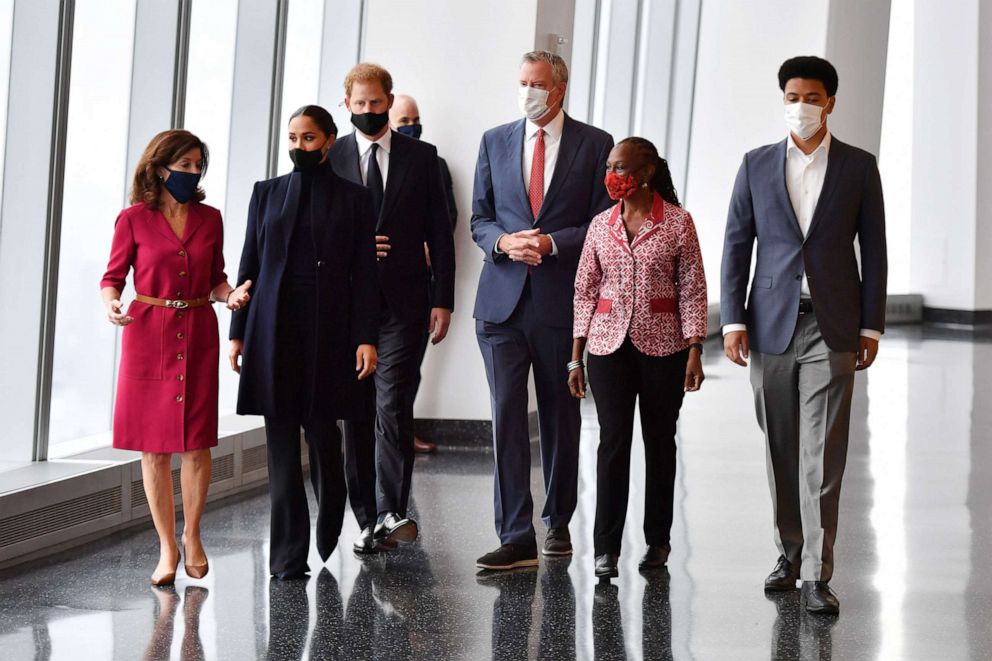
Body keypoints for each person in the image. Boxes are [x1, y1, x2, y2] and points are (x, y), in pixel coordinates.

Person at [720, 56, 887, 614]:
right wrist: (734, 320)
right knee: (781, 445)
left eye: (812, 96)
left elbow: (876, 251)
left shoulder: (859, 167)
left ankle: (817, 571)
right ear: (783, 99)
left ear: (830, 102)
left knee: (823, 450)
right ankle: (788, 554)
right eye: (792, 95)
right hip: (769, 325)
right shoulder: (756, 164)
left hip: (833, 323)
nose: (802, 106)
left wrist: (871, 323)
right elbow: (736, 244)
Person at [472, 51, 614, 571]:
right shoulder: (494, 140)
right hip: (501, 306)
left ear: (559, 89)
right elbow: (479, 218)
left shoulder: (595, 145)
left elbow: (604, 223)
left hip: (562, 303)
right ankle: (514, 534)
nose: (527, 91)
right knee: (507, 415)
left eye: (537, 83)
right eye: (522, 81)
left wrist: (550, 243)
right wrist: (507, 241)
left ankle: (557, 523)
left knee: (560, 414)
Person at [229, 105, 379, 579]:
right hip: (273, 330)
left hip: (330, 332)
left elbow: (365, 277)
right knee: (280, 446)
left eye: (308, 138)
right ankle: (288, 559)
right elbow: (248, 266)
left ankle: (332, 501)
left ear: (330, 140)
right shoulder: (266, 193)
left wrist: (365, 338)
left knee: (321, 433)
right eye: (292, 138)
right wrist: (237, 333)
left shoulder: (355, 199)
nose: (298, 146)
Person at [100, 129, 251, 585]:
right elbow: (113, 277)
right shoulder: (131, 219)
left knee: (197, 444)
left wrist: (231, 296)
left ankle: (194, 535)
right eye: (183, 165)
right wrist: (110, 303)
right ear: (159, 166)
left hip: (199, 331)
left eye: (196, 165)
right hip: (148, 334)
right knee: (154, 450)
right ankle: (167, 546)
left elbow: (216, 278)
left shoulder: (211, 218)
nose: (191, 173)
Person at [329, 64, 456, 554]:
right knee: (355, 412)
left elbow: (440, 236)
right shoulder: (332, 156)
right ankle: (365, 517)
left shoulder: (422, 158)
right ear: (348, 105)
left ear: (389, 100)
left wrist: (442, 299)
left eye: (375, 103)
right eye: (358, 105)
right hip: (345, 308)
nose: (367, 112)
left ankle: (390, 510)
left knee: (392, 404)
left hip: (404, 303)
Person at [569, 138, 707, 579]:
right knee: (612, 443)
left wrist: (695, 348)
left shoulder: (678, 223)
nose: (612, 175)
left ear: (645, 173)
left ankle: (658, 540)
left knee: (659, 442)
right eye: (609, 166)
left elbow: (692, 287)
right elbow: (585, 289)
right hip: (607, 347)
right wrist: (576, 356)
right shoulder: (600, 225)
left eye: (621, 168)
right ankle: (605, 548)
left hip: (664, 348)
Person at [388, 93, 458, 455]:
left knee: (409, 366)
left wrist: (428, 245)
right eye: (404, 121)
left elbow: (447, 216)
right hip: (376, 283)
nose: (412, 126)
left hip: (419, 282)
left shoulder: (433, 162)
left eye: (415, 118)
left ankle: (401, 430)